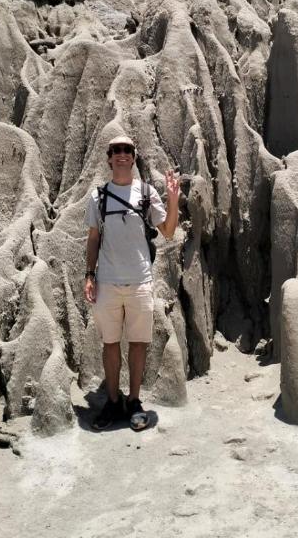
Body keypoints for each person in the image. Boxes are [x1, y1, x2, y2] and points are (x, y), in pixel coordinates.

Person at [84, 135, 179, 431]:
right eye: (117, 150)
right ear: (109, 157)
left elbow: (167, 230)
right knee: (110, 344)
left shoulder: (147, 193)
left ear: (134, 157)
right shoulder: (98, 196)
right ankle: (113, 401)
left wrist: (174, 198)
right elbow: (93, 239)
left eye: (127, 150)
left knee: (138, 344)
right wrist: (89, 274)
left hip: (140, 280)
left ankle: (134, 400)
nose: (122, 154)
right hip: (108, 282)